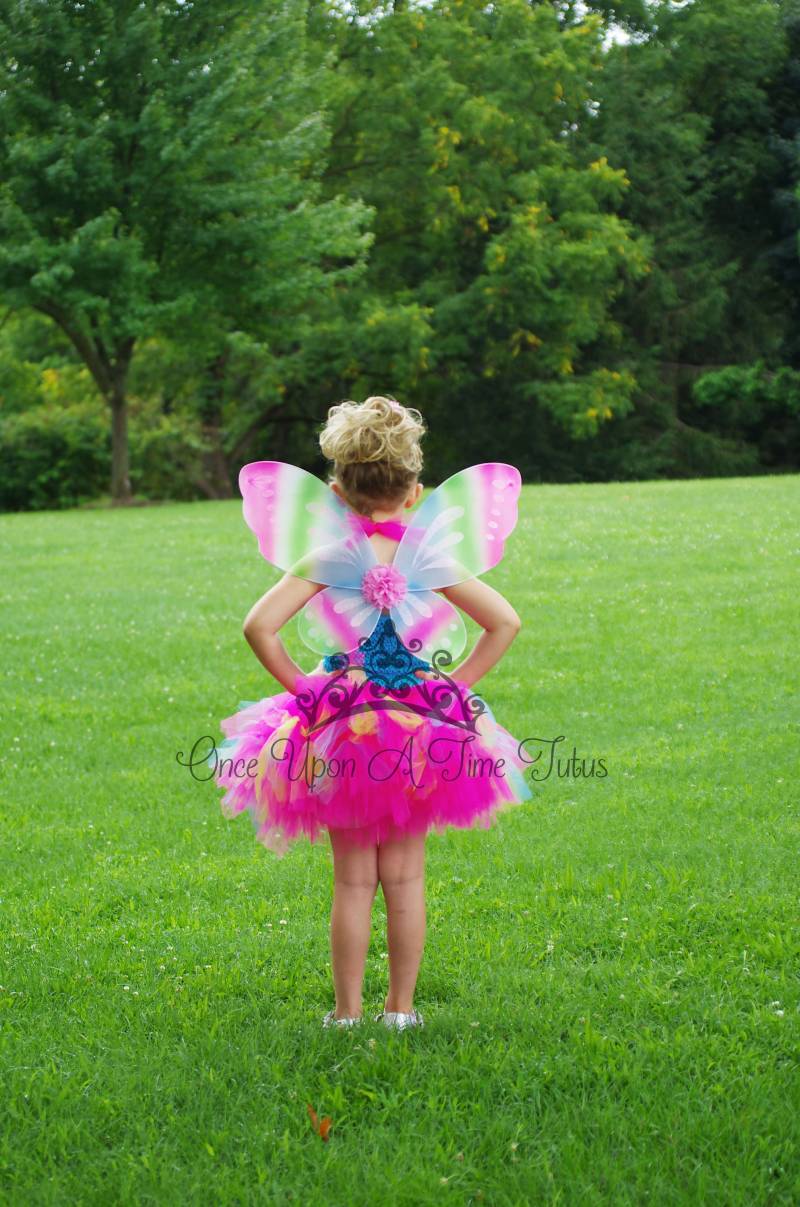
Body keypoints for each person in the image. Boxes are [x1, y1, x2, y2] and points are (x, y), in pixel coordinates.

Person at [212, 395, 532, 1031]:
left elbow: (259, 628)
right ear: (415, 492)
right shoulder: (432, 555)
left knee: (353, 881)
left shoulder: (327, 557)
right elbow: (505, 622)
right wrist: (456, 692)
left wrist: (306, 689)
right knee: (405, 878)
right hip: (420, 724)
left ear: (335, 491)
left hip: (340, 722)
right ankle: (401, 1011)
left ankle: (348, 1013)